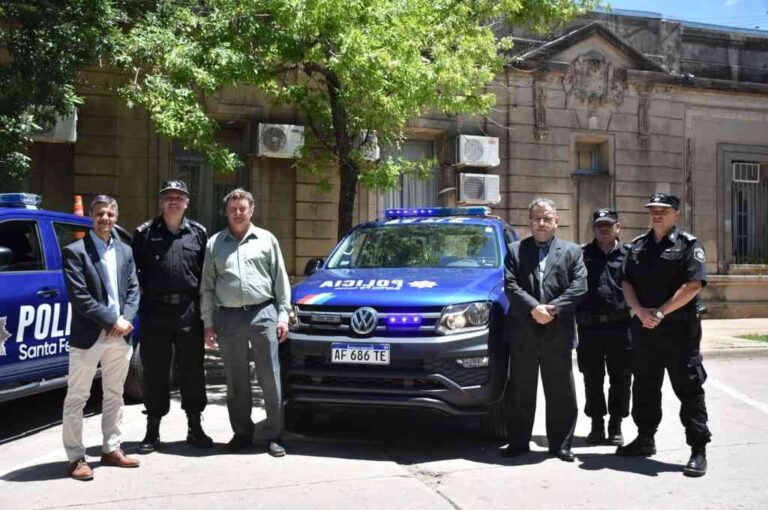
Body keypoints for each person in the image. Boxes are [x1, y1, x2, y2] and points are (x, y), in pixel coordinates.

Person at [617, 192, 711, 478]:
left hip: (679, 331)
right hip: (646, 329)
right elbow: (626, 281)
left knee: (689, 390)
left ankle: (698, 450)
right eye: (653, 210)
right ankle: (645, 439)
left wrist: (660, 312)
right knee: (645, 387)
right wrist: (640, 311)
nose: (657, 214)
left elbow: (694, 284)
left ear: (676, 215)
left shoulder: (689, 245)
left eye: (663, 210)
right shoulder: (637, 246)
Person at [200, 188, 291, 457]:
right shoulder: (214, 244)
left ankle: (274, 435)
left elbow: (280, 281)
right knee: (236, 379)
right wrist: (208, 323)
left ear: (251, 210)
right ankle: (242, 433)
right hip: (228, 317)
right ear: (226, 212)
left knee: (270, 377)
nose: (238, 213)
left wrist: (283, 315)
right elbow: (207, 287)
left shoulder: (267, 240)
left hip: (263, 314)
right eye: (233, 209)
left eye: (242, 208)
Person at [502, 198, 588, 462]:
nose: (542, 223)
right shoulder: (515, 250)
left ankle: (561, 444)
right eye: (537, 218)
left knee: (560, 390)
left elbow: (580, 285)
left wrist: (552, 309)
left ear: (556, 221)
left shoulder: (572, 251)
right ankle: (518, 442)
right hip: (524, 332)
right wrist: (533, 309)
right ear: (529, 222)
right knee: (520, 390)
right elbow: (510, 284)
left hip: (557, 331)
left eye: (547, 218)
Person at [61, 195, 140, 481]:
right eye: (100, 214)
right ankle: (75, 457)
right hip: (89, 335)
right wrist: (112, 320)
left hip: (120, 335)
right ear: (91, 217)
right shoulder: (75, 252)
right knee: (77, 397)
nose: (105, 218)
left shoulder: (125, 251)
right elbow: (80, 297)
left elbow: (133, 290)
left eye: (110, 214)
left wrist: (127, 319)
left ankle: (111, 448)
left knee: (114, 394)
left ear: (116, 217)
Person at [132, 180, 212, 453]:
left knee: (192, 369)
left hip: (189, 310)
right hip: (155, 311)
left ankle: (195, 426)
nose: (174, 201)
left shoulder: (199, 233)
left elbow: (206, 276)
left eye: (179, 197)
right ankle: (152, 430)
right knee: (154, 371)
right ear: (161, 202)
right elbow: (134, 276)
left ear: (187, 202)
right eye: (168, 197)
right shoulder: (144, 233)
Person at [576, 209, 632, 446]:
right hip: (590, 328)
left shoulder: (630, 255)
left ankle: (616, 424)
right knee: (592, 378)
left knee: (621, 378)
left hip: (621, 326)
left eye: (608, 225)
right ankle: (596, 424)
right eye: (599, 225)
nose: (603, 229)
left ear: (618, 227)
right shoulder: (581, 254)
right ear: (593, 228)